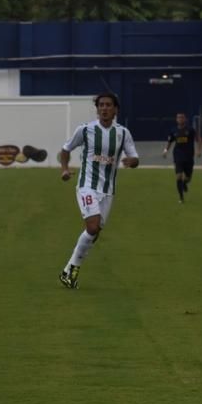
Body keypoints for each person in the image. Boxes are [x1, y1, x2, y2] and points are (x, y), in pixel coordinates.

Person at [58, 92, 139, 289]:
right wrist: (65, 169)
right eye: (101, 105)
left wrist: (132, 161)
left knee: (95, 232)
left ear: (115, 109)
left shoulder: (123, 133)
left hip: (108, 190)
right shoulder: (85, 130)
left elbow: (135, 157)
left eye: (108, 105)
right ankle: (71, 270)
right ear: (97, 109)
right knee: (93, 227)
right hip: (87, 186)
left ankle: (69, 270)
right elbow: (66, 149)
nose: (104, 108)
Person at [162, 112, 201, 204]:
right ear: (176, 119)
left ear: (185, 119)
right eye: (178, 118)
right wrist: (165, 150)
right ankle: (181, 198)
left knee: (188, 177)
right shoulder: (173, 130)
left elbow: (199, 139)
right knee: (179, 176)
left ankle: (184, 183)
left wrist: (199, 150)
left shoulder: (190, 130)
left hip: (189, 156)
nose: (180, 119)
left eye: (182, 117)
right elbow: (170, 141)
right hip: (178, 155)